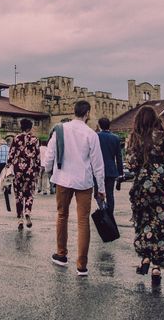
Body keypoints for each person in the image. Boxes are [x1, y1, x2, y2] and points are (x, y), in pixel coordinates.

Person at [45, 100, 105, 276]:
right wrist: (100, 188)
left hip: (63, 179)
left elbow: (49, 155)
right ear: (87, 113)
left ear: (74, 112)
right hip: (84, 182)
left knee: (62, 215)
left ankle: (61, 255)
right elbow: (98, 165)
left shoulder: (60, 130)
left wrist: (49, 171)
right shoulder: (91, 134)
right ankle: (82, 265)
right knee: (83, 221)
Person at [126, 105, 164, 284]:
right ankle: (157, 266)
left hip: (143, 184)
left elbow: (131, 164)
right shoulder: (163, 136)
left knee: (143, 221)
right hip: (163, 183)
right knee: (162, 223)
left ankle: (145, 258)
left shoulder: (134, 138)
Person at [7, 119, 41, 230]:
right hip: (30, 169)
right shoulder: (35, 139)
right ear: (30, 128)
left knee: (18, 195)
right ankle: (27, 211)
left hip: (18, 169)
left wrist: (8, 165)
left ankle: (20, 219)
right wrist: (37, 170)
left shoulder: (16, 138)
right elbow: (37, 156)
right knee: (29, 193)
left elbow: (11, 154)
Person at [96, 117, 125, 215]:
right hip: (111, 169)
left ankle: (102, 209)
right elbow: (119, 157)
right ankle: (110, 214)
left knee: (98, 193)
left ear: (99, 125)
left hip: (98, 169)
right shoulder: (115, 138)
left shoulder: (96, 136)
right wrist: (120, 173)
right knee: (110, 194)